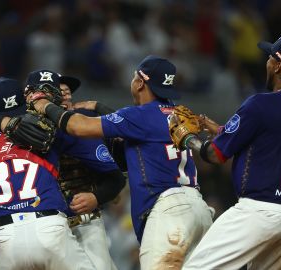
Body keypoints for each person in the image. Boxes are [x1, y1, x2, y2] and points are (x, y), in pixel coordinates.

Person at [30, 58, 213, 269]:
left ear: (140, 82)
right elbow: (134, 128)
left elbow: (78, 127)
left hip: (169, 210)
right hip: (197, 207)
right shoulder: (179, 112)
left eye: (135, 76)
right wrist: (98, 106)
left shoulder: (139, 115)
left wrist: (45, 105)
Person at [173, 35, 281, 269]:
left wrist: (188, 139)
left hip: (260, 211)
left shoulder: (260, 104)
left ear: (278, 65)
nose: (267, 63)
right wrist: (223, 130)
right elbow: (272, 139)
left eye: (270, 58)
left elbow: (215, 155)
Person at [0, 73, 123, 269]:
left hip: (65, 226)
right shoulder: (46, 127)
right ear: (27, 97)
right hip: (51, 225)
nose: (63, 97)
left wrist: (97, 196)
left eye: (64, 92)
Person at [59, 74, 125, 270]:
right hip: (50, 224)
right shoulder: (33, 126)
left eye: (68, 93)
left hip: (86, 221)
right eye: (60, 93)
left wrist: (98, 107)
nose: (66, 97)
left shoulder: (85, 122)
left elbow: (124, 129)